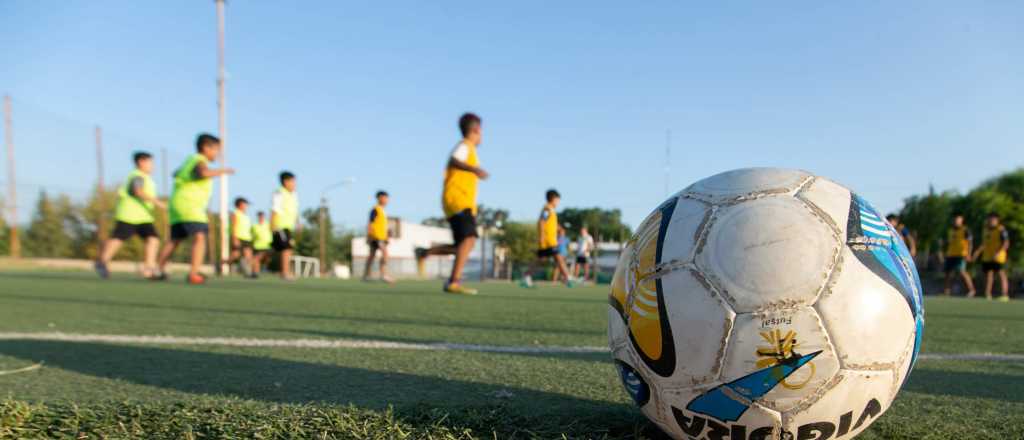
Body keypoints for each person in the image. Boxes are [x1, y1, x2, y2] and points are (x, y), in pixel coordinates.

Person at [415, 113, 489, 295]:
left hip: (459, 201)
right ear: (476, 130)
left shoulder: (469, 149)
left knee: (461, 246)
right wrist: (474, 169)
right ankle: (453, 281)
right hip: (458, 200)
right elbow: (453, 160)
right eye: (481, 131)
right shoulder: (465, 146)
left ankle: (425, 252)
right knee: (469, 239)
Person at [155, 134, 234, 284]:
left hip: (177, 205)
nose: (217, 153)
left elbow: (175, 173)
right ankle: (193, 273)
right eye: (216, 149)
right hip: (190, 206)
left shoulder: (189, 160)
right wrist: (223, 171)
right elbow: (203, 173)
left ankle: (158, 269)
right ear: (205, 148)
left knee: (174, 240)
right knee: (200, 236)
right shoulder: (199, 160)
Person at [95, 151, 165, 279]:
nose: (153, 166)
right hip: (129, 215)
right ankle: (102, 262)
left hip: (144, 217)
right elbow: (137, 191)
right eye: (150, 163)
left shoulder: (146, 178)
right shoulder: (137, 176)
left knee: (153, 239)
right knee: (117, 239)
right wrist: (158, 202)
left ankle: (149, 269)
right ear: (141, 162)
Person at [522, 189, 573, 287]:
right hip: (548, 240)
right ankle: (567, 278)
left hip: (549, 240)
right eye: (558, 200)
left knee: (541, 260)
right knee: (559, 258)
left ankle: (526, 276)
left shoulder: (551, 210)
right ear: (553, 199)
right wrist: (541, 236)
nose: (558, 202)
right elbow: (541, 222)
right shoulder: (547, 208)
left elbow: (550, 223)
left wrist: (559, 228)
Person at [973, 212, 1011, 302]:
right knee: (988, 275)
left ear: (997, 220)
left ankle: (1004, 294)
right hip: (987, 256)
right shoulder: (985, 230)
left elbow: (1006, 243)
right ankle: (987, 294)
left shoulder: (1001, 229)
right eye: (990, 219)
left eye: (993, 219)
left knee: (1001, 274)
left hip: (998, 257)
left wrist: (998, 253)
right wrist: (977, 252)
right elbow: (984, 243)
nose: (991, 221)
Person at [271, 171, 300, 280]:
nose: (294, 184)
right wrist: (272, 225)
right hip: (280, 225)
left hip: (289, 226)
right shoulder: (279, 193)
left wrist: (297, 223)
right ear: (285, 182)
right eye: (292, 181)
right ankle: (285, 273)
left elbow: (295, 210)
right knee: (286, 248)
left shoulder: (293, 195)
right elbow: (275, 209)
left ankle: (253, 261)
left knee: (279, 249)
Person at [363, 191, 395, 283]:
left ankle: (366, 275)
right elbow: (370, 223)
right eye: (384, 198)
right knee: (385, 254)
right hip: (376, 237)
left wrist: (387, 236)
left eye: (387, 198)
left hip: (382, 237)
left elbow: (383, 226)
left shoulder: (382, 211)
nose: (386, 200)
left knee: (371, 256)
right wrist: (369, 235)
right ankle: (383, 275)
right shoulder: (375, 209)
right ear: (379, 198)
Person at [942, 214, 976, 297]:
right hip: (950, 254)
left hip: (961, 255)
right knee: (947, 273)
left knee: (962, 272)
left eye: (958, 219)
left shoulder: (965, 230)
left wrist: (969, 254)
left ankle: (972, 290)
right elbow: (949, 242)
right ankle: (946, 291)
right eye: (955, 219)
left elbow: (970, 242)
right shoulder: (950, 230)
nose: (956, 221)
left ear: (962, 220)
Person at [228, 197, 254, 277]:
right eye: (245, 204)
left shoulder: (246, 216)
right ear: (239, 205)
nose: (246, 206)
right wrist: (234, 238)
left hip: (247, 238)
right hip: (238, 237)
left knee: (248, 256)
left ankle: (248, 272)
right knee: (235, 256)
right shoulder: (235, 214)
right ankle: (220, 266)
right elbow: (233, 226)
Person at [250, 211, 272, 277]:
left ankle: (263, 268)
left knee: (266, 258)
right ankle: (255, 272)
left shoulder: (268, 224)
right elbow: (251, 235)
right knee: (257, 259)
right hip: (257, 245)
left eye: (262, 216)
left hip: (267, 245)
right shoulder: (254, 226)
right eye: (260, 216)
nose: (261, 217)